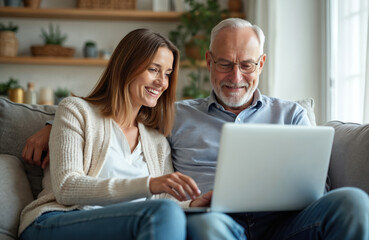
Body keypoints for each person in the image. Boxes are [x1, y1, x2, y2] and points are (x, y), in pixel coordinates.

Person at [23, 19, 369, 240]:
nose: (236, 76)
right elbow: (100, 130)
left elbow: (315, 188)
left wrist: (190, 203)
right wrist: (51, 124)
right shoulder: (173, 117)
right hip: (213, 222)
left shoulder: (291, 114)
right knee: (198, 224)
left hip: (285, 224)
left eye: (246, 65)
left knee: (353, 201)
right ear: (208, 62)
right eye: (224, 64)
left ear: (260, 64)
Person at [18, 28, 206, 240]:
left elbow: (166, 201)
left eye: (168, 74)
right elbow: (65, 187)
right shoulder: (76, 111)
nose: (162, 82)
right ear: (127, 66)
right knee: (161, 213)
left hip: (120, 226)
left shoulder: (157, 141)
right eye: (154, 69)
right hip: (56, 221)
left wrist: (192, 204)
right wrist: (148, 184)